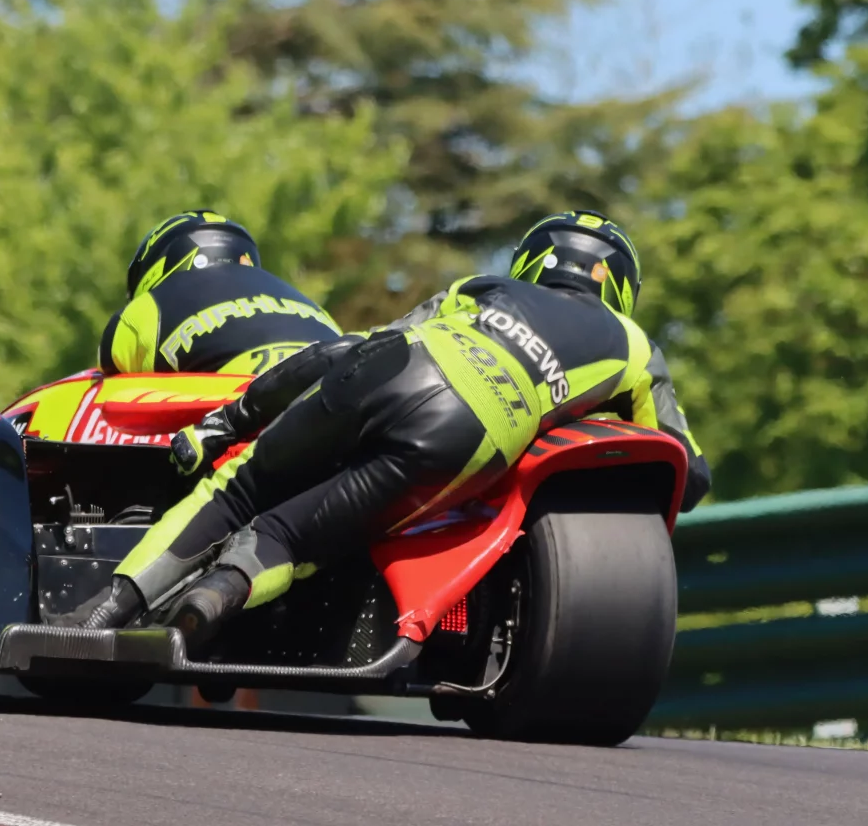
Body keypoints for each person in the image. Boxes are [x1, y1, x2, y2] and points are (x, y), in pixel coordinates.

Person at [55, 210, 710, 641]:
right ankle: (215, 598)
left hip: (399, 362)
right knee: (290, 535)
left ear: (532, 263)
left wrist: (227, 423)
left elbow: (347, 348)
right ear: (619, 286)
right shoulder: (633, 345)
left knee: (236, 493)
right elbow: (684, 462)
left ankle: (105, 610)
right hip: (473, 431)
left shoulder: (480, 288)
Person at [99, 211, 343, 376]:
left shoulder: (151, 307)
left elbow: (105, 382)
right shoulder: (316, 310)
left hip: (257, 425)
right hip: (352, 405)